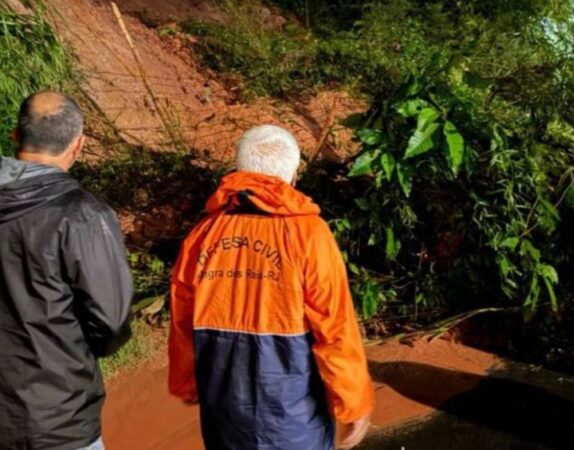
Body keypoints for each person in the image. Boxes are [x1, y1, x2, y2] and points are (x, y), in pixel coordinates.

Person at [169, 125, 374, 450]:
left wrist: (186, 382)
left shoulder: (203, 235)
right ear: (292, 176)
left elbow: (182, 320)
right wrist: (354, 403)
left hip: (224, 413)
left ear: (238, 170)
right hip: (293, 418)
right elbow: (335, 329)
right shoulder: (309, 235)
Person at [0, 91, 133, 450]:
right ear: (78, 145)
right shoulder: (83, 217)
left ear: (15, 136)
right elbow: (109, 323)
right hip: (57, 421)